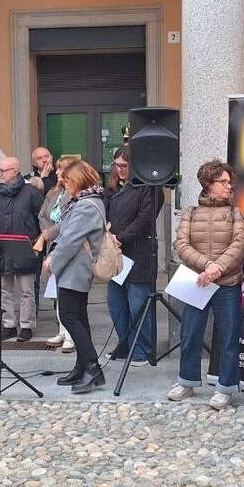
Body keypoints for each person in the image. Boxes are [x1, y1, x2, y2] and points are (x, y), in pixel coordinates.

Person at [169, 159, 244, 410]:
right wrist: (207, 265)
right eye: (222, 182)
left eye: (229, 182)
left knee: (228, 336)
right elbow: (181, 245)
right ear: (208, 184)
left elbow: (239, 244)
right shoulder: (191, 212)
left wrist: (217, 268)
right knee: (190, 333)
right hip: (198, 282)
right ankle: (187, 381)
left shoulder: (235, 213)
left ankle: (225, 388)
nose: (228, 186)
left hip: (228, 283)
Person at [41, 160, 108, 394]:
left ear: (79, 180)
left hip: (75, 268)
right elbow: (66, 230)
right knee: (78, 316)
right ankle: (81, 367)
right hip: (73, 266)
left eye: (68, 180)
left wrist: (53, 261)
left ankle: (92, 367)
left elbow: (71, 239)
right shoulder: (81, 201)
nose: (65, 184)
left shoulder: (87, 204)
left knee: (70, 317)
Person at [106, 146, 159, 364]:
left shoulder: (147, 188)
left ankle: (142, 349)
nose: (119, 170)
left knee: (138, 304)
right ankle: (125, 344)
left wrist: (121, 237)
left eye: (124, 166)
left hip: (138, 253)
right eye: (117, 165)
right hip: (117, 255)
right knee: (115, 302)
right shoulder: (117, 189)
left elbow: (145, 219)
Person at [0, 156, 44, 341]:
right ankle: (8, 324)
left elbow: (41, 220)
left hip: (25, 249)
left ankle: (27, 326)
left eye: (3, 170)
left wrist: (36, 245)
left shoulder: (32, 193)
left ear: (16, 171)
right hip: (2, 249)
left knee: (27, 290)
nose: (0, 174)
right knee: (5, 289)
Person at [35, 155, 80, 352]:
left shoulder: (77, 194)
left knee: (70, 292)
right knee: (57, 292)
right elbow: (43, 214)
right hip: (52, 244)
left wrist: (51, 232)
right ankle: (62, 330)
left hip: (68, 246)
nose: (57, 172)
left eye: (61, 169)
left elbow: (69, 221)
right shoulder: (53, 193)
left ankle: (72, 335)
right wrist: (48, 234)